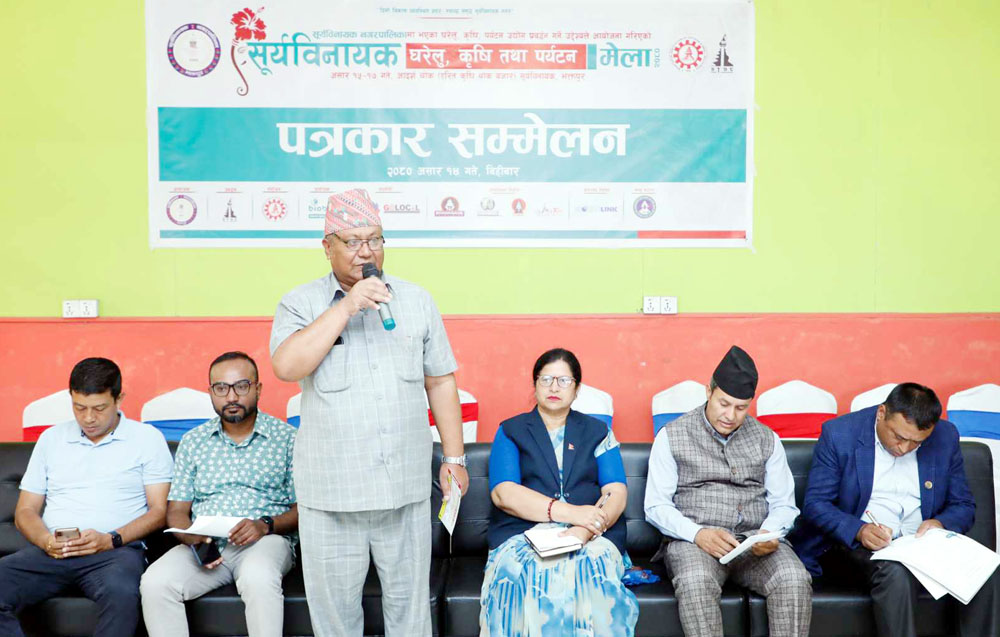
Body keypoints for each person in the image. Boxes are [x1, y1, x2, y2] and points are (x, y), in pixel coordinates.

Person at [269, 188, 469, 637]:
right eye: (353, 241)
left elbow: (440, 381)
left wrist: (454, 459)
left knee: (410, 615)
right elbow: (287, 366)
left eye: (375, 239)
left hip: (404, 488)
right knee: (336, 620)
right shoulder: (300, 302)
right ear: (327, 247)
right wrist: (347, 305)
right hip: (332, 496)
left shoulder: (416, 300)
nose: (366, 251)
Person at [793, 382, 998, 637]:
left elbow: (963, 504)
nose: (904, 448)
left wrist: (940, 524)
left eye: (916, 443)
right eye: (899, 437)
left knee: (986, 570)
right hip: (860, 545)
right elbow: (816, 504)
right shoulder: (840, 434)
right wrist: (859, 530)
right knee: (895, 572)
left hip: (922, 545)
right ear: (881, 413)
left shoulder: (945, 436)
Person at [644, 346, 812, 637]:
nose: (730, 415)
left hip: (755, 544)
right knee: (695, 580)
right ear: (708, 392)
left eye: (740, 408)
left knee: (793, 577)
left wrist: (769, 532)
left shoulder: (767, 439)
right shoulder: (672, 436)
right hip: (695, 543)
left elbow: (784, 504)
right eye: (724, 403)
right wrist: (698, 534)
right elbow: (656, 506)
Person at [0, 357, 173, 637]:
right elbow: (25, 511)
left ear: (119, 399)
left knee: (121, 594)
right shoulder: (51, 439)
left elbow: (159, 511)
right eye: (79, 407)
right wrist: (46, 541)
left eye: (99, 408)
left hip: (115, 553)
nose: (89, 418)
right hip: (53, 551)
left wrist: (111, 539)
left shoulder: (147, 439)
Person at [481, 348, 639, 636]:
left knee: (590, 568)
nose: (554, 387)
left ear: (576, 389)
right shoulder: (511, 430)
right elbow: (504, 493)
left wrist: (586, 529)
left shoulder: (598, 431)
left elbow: (615, 491)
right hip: (524, 532)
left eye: (564, 381)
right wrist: (571, 514)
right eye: (546, 379)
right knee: (524, 570)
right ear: (535, 385)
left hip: (593, 533)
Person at [140, 351, 298, 637]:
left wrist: (264, 525)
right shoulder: (193, 442)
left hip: (265, 541)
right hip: (207, 546)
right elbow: (177, 510)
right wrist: (194, 539)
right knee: (155, 582)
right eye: (221, 388)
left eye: (241, 386)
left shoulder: (287, 439)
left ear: (258, 389)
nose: (231, 397)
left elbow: (304, 508)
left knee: (259, 577)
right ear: (211, 392)